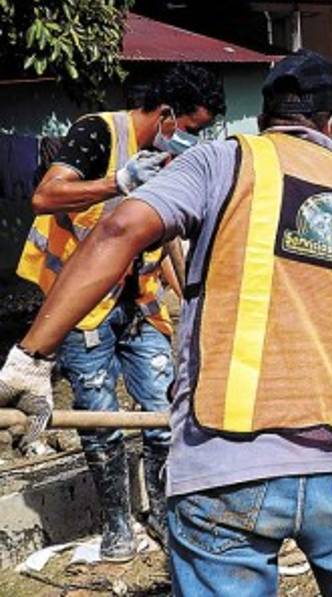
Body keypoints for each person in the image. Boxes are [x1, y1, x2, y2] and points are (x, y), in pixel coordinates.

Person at [0, 49, 332, 594]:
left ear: (267, 123)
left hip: (228, 464)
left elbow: (120, 231)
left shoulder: (227, 161)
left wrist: (32, 357)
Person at [10, 64, 224, 560]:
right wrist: (119, 182)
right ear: (168, 115)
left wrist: (193, 295)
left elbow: (166, 237)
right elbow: (45, 196)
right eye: (191, 129)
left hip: (140, 302)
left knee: (163, 412)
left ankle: (161, 517)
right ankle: (116, 524)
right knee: (100, 420)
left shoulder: (166, 160)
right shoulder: (99, 133)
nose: (193, 141)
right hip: (83, 310)